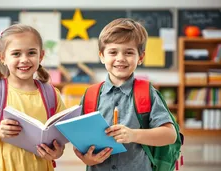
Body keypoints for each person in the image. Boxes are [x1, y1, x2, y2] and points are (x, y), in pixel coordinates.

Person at [73, 18, 177, 171]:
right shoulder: (90, 95)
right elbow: (80, 140)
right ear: (102, 56)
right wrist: (86, 158)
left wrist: (134, 135)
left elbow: (170, 135)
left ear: (140, 57)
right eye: (113, 52)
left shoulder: (147, 93)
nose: (120, 58)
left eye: (129, 52)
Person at [0, 23, 66, 171]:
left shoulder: (52, 94)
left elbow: (59, 143)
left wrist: (57, 152)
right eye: (16, 54)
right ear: (2, 58)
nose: (24, 59)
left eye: (31, 53)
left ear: (41, 56)